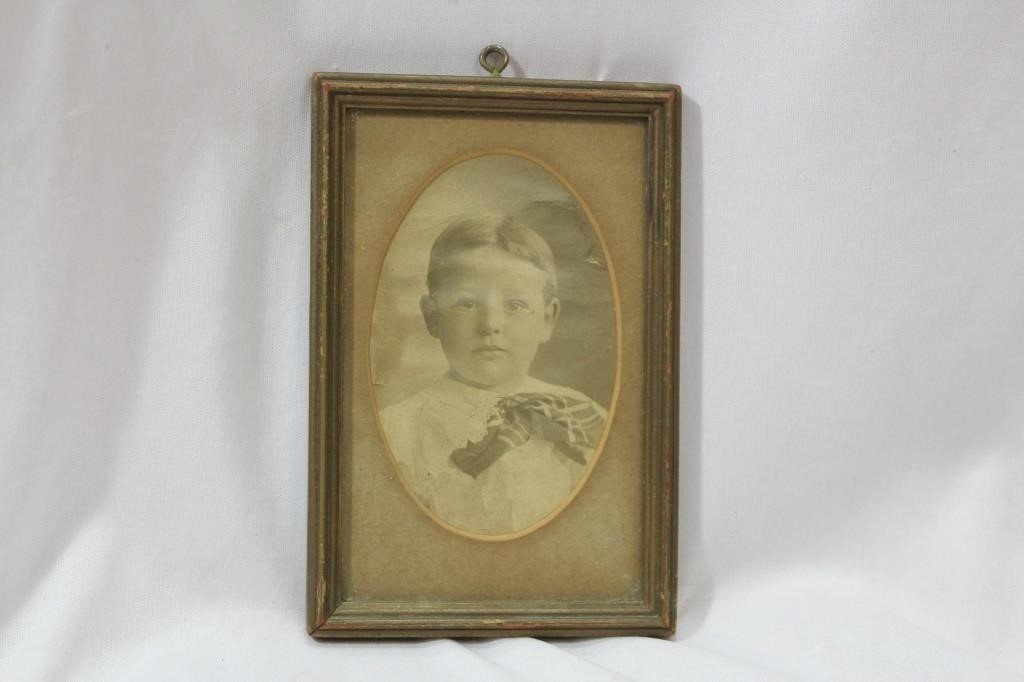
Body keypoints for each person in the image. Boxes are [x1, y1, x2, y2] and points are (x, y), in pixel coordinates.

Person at [379, 214, 607, 536]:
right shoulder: (397, 432)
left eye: (515, 305)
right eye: (467, 303)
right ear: (432, 316)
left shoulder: (584, 417)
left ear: (547, 319)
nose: (490, 324)